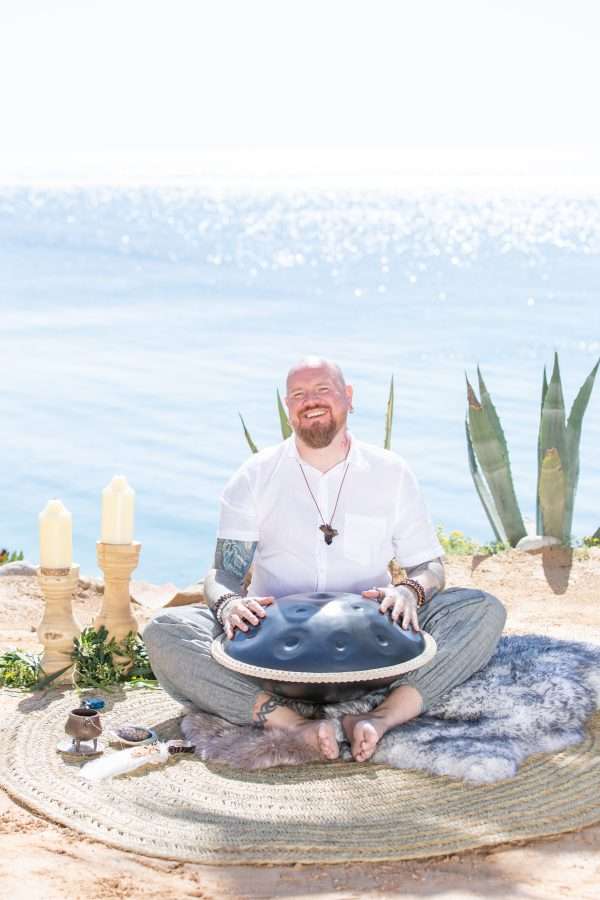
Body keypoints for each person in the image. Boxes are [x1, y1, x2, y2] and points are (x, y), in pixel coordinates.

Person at [144, 357, 506, 763]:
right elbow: (224, 572)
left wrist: (410, 589)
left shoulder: (391, 472)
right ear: (287, 406)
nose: (310, 401)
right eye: (298, 394)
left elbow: (430, 565)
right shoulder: (255, 475)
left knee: (482, 610)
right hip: (267, 656)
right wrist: (229, 603)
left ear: (347, 397)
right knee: (164, 630)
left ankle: (379, 718)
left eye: (322, 390)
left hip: (378, 655)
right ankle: (292, 723)